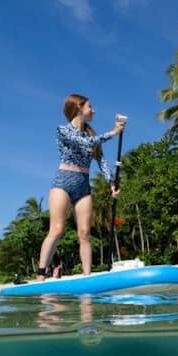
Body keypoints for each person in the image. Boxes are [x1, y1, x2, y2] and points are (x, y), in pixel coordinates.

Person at [36, 94, 124, 279]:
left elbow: (101, 160)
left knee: (84, 233)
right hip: (63, 183)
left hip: (83, 185)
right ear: (78, 108)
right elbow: (83, 143)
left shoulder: (92, 134)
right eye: (90, 106)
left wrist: (110, 182)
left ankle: (87, 276)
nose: (93, 110)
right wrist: (113, 133)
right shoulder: (63, 130)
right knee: (57, 230)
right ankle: (41, 275)